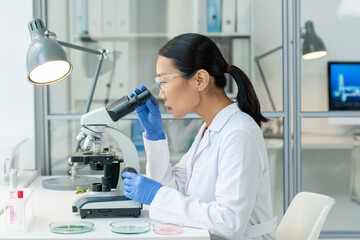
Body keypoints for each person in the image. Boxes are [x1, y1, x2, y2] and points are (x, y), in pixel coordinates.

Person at [121, 33, 276, 240]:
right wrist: (155, 138)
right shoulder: (209, 129)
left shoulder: (239, 133)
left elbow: (230, 221)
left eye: (164, 81)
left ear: (200, 80)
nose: (161, 94)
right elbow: (173, 190)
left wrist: (156, 195)